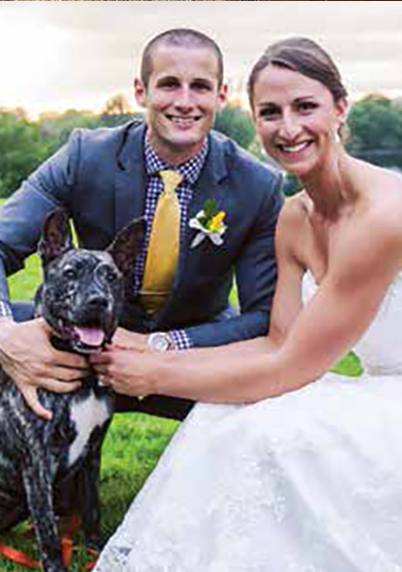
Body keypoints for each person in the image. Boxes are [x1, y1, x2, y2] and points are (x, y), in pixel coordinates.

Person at [93, 36, 402, 572]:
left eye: (305, 107)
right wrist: (151, 355)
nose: (288, 128)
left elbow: (290, 368)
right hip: (372, 387)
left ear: (339, 108)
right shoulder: (294, 218)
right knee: (221, 412)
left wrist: (152, 375)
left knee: (270, 429)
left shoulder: (383, 216)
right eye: (270, 112)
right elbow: (275, 339)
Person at [0, 28, 283, 422]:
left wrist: (160, 345)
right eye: (169, 84)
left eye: (200, 87)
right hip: (79, 341)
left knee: (276, 403)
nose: (184, 102)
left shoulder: (258, 185)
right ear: (141, 91)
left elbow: (264, 316)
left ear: (221, 95)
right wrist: (4, 332)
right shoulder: (84, 155)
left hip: (189, 355)